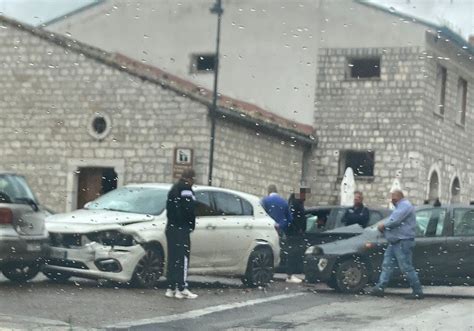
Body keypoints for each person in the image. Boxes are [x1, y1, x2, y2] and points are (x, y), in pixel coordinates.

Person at [366, 189, 424, 300]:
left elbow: (394, 220)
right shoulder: (401, 206)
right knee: (387, 265)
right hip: (395, 242)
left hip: (403, 241)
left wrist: (383, 226)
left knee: (406, 267)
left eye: (394, 198)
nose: (392, 201)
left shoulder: (404, 205)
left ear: (399, 197)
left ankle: (417, 291)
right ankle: (380, 287)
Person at [165, 168, 198, 299]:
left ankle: (171, 287)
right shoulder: (186, 190)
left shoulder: (173, 188)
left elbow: (170, 208)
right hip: (181, 228)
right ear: (191, 178)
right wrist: (190, 224)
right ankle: (182, 287)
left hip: (171, 227)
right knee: (183, 258)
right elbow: (188, 209)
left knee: (173, 257)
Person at [261, 185, 300, 283]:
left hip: (266, 230)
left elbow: (261, 214)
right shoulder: (284, 202)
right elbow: (290, 219)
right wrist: (280, 225)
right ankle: (289, 276)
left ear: (268, 191)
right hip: (280, 231)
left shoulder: (265, 201)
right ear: (276, 191)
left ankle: (268, 274)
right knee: (283, 252)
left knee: (267, 251)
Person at [286, 188, 311, 282]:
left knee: (295, 253)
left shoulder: (297, 203)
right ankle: (290, 275)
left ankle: (292, 274)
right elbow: (292, 218)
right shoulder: (295, 203)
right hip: (294, 233)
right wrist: (298, 229)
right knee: (292, 253)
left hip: (295, 233)